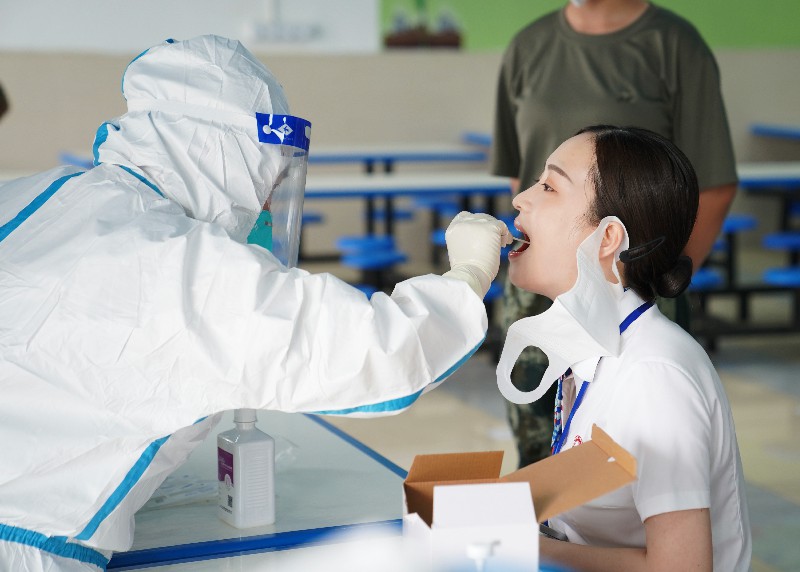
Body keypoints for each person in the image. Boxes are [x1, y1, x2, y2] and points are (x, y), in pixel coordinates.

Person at [0, 35, 511, 571]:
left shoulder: (45, 194)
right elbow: (377, 351)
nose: (267, 205)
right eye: (266, 177)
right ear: (222, 154)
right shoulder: (170, 261)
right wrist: (467, 276)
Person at [491, 0, 739, 467]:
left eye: (548, 187)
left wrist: (650, 269)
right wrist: (546, 249)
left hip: (629, 274)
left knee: (626, 444)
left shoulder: (673, 44)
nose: (523, 199)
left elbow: (714, 185)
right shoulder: (529, 45)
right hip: (549, 274)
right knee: (547, 436)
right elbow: (517, 174)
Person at [496, 125, 750, 571]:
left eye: (549, 186)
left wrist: (522, 547)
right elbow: (587, 480)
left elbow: (682, 568)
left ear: (608, 239)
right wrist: (460, 510)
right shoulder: (595, 349)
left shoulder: (653, 376)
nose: (521, 199)